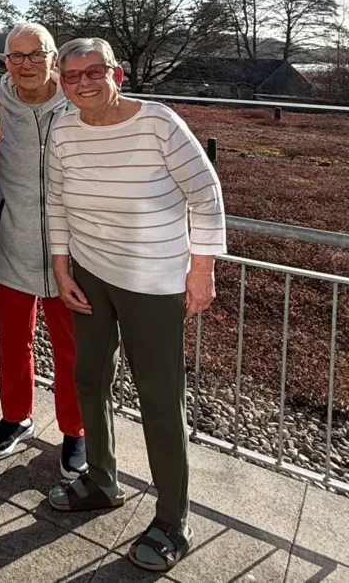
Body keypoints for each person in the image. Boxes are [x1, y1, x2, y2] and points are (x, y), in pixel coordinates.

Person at [45, 38, 226, 573]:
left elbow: (206, 194)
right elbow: (56, 202)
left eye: (93, 72)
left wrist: (201, 270)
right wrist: (61, 269)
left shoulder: (158, 123)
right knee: (88, 378)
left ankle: (173, 519)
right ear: (62, 83)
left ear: (116, 74)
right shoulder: (63, 130)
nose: (83, 83)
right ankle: (102, 480)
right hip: (89, 274)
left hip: (153, 280)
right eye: (71, 75)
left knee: (159, 397)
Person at [0, 23, 86, 480]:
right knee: (11, 342)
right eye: (16, 56)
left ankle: (76, 429)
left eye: (36, 54)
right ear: (5, 62)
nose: (26, 65)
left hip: (72, 254)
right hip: (10, 245)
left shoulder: (77, 103)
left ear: (53, 58)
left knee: (72, 349)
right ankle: (15, 416)